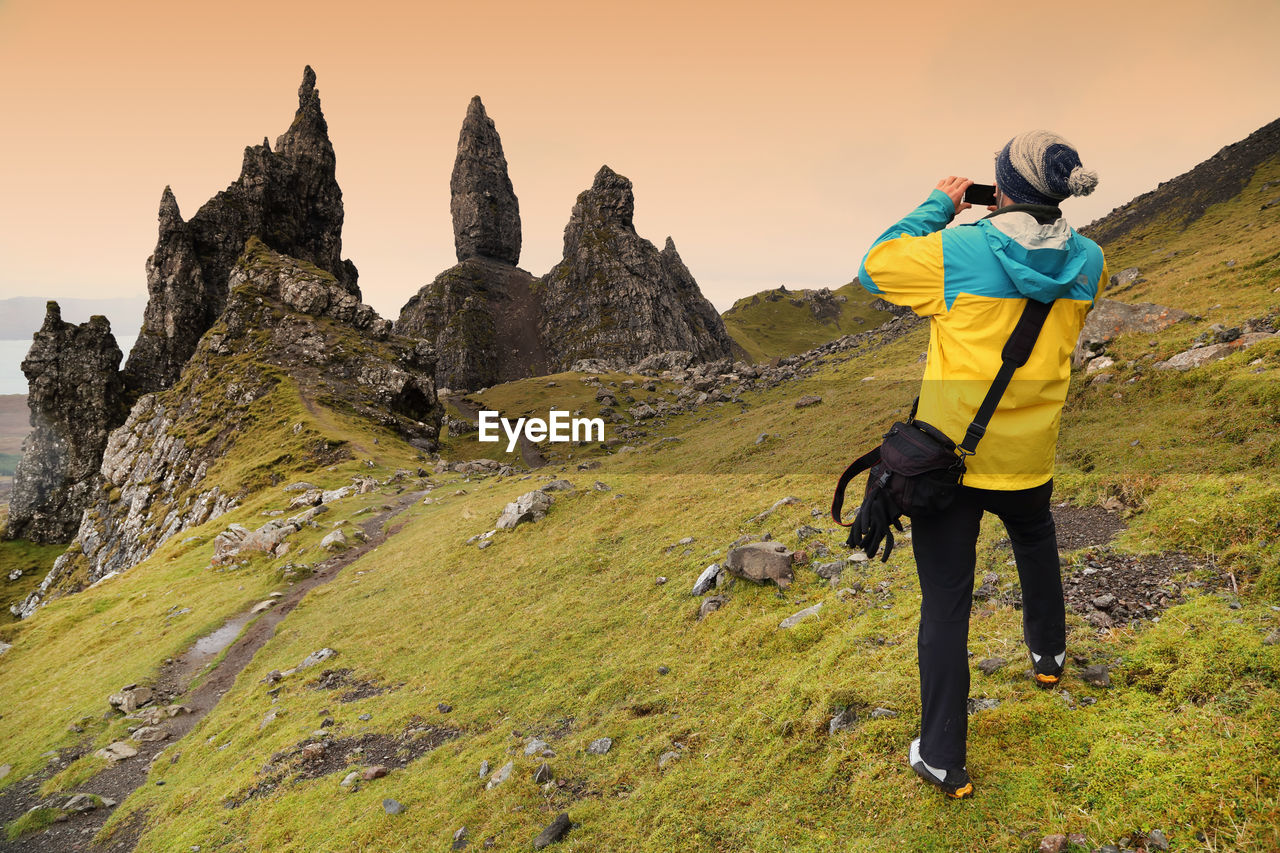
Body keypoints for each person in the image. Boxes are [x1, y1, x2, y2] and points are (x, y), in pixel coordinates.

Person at [856, 130, 1107, 799]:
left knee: (945, 602)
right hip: (1029, 452)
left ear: (1002, 189)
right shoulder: (1090, 259)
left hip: (951, 463)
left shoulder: (959, 251)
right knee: (1035, 539)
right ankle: (1049, 657)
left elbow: (875, 265)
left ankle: (942, 755)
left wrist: (939, 206)